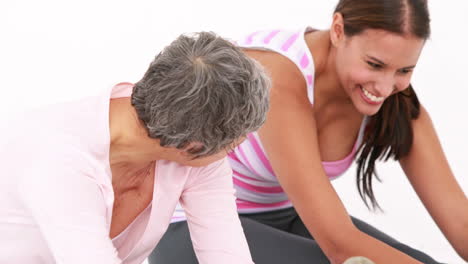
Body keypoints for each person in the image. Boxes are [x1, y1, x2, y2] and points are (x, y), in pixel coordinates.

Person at [149, 1, 468, 264]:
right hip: (189, 224)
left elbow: (460, 222)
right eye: (374, 64)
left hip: (283, 218)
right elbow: (339, 244)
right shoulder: (278, 79)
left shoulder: (395, 102)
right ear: (339, 30)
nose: (385, 87)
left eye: (404, 70)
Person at [0, 31, 271, 264]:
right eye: (235, 143)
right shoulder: (57, 158)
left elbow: (228, 255)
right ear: (192, 146)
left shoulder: (199, 156)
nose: (234, 150)